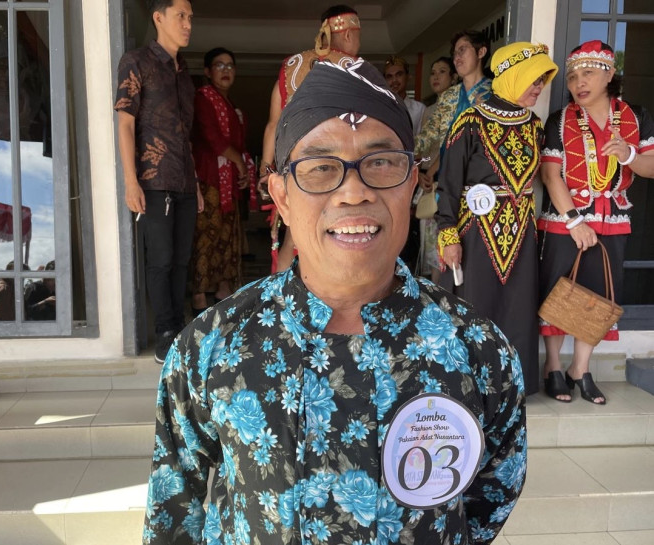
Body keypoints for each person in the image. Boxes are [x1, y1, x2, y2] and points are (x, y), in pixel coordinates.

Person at [142, 59, 526, 545]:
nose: (353, 192)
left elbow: (490, 498)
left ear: (412, 182)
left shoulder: (477, 348)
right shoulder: (212, 344)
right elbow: (174, 508)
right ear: (281, 196)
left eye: (381, 163)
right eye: (321, 168)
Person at [436, 42, 559, 397]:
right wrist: (448, 235)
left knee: (518, 306)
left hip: (521, 233)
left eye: (542, 81)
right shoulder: (471, 121)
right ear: (513, 76)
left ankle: (512, 386)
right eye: (533, 80)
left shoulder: (534, 126)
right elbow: (449, 184)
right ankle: (471, 386)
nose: (538, 88)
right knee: (476, 305)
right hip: (476, 232)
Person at [538, 40, 654, 404]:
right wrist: (575, 222)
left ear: (609, 74)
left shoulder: (636, 117)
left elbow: (650, 166)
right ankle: (553, 367)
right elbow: (550, 175)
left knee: (599, 295)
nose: (578, 83)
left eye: (588, 73)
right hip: (565, 219)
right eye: (573, 76)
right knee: (559, 291)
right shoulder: (560, 120)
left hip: (612, 218)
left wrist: (629, 155)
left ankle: (580, 368)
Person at [114, 0, 204, 364]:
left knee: (182, 260)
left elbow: (186, 136)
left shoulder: (185, 74)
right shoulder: (137, 61)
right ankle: (165, 331)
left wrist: (195, 183)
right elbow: (125, 123)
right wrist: (130, 181)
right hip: (153, 181)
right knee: (161, 259)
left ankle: (179, 327)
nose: (187, 24)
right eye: (181, 16)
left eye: (190, 18)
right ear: (158, 18)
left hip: (184, 181)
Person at [258, 5, 361, 273]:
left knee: (294, 238)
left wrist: (266, 170)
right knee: (336, 237)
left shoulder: (292, 66)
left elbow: (273, 124)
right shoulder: (353, 68)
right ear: (348, 34)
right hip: (339, 169)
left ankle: (283, 295)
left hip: (297, 169)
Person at [190, 47, 256, 315]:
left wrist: (243, 168)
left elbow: (238, 144)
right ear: (207, 72)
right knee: (206, 236)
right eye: (219, 65)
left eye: (230, 66)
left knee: (227, 237)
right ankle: (198, 295)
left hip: (228, 183)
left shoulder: (232, 107)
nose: (226, 70)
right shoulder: (203, 99)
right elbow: (211, 138)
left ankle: (222, 288)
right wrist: (238, 162)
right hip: (209, 179)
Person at [415, 30, 493, 184]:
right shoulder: (448, 96)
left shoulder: (495, 93)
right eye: (455, 53)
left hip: (482, 181)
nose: (456, 58)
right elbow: (427, 136)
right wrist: (398, 148)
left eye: (462, 50)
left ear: (481, 52)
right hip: (449, 181)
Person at [416, 56, 458, 282]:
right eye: (433, 72)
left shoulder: (458, 107)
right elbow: (423, 146)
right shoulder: (429, 109)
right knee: (429, 245)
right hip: (426, 179)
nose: (435, 77)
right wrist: (419, 173)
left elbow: (451, 147)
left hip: (443, 179)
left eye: (442, 71)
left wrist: (431, 173)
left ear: (454, 77)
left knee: (441, 244)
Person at [383, 55, 426, 135]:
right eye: (389, 77)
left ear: (408, 77)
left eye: (399, 74)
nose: (394, 80)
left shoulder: (420, 109)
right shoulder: (379, 108)